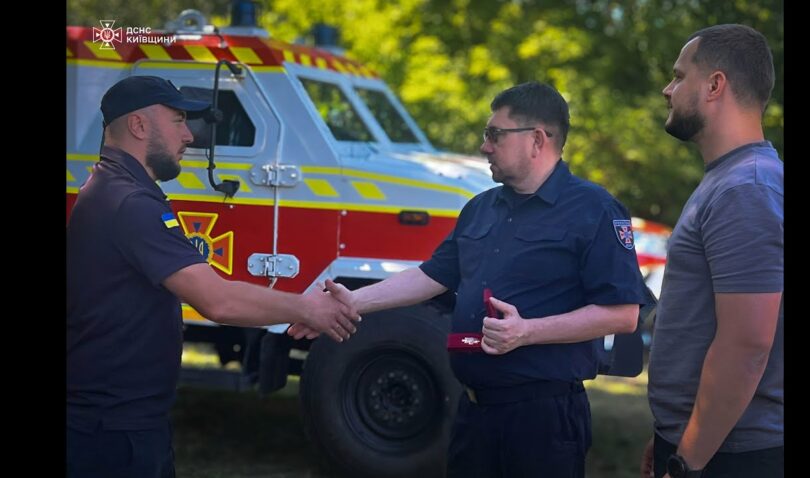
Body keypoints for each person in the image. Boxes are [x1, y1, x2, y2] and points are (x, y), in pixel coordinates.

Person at [289, 81, 649, 477]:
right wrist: (351, 303)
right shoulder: (481, 208)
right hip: (473, 413)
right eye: (486, 135)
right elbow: (433, 276)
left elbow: (622, 314)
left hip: (542, 420)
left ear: (537, 140)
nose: (484, 146)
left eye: (495, 134)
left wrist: (526, 332)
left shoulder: (595, 209)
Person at [66, 75, 361, 478]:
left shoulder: (111, 187)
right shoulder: (128, 202)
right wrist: (307, 308)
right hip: (115, 431)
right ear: (138, 126)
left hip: (113, 420)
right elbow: (217, 300)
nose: (189, 135)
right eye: (178, 120)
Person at [639, 25, 784, 478]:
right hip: (706, 444)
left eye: (679, 76)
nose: (668, 89)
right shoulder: (729, 179)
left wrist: (687, 460)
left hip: (731, 456)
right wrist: (672, 434)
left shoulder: (746, 188)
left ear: (715, 85)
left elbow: (747, 346)